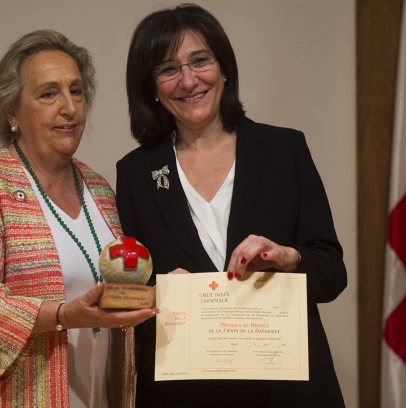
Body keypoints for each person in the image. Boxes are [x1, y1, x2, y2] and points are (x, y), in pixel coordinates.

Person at [116, 4, 347, 408]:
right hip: (183, 394)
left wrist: (290, 258)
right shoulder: (135, 172)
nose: (188, 80)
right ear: (151, 87)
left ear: (223, 67)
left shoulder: (284, 150)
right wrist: (161, 293)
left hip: (285, 391)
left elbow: (333, 273)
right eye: (168, 69)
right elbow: (127, 293)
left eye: (200, 60)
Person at [0, 30, 157, 408]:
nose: (69, 107)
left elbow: (116, 283)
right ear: (12, 111)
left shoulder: (98, 188)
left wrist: (162, 292)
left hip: (94, 394)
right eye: (49, 94)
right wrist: (63, 315)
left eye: (76, 91)